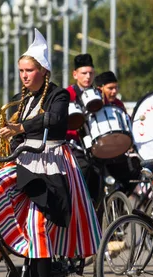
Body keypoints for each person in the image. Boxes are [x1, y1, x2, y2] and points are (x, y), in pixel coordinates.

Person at [0, 29, 100, 277]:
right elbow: (14, 134)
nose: (24, 76)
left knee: (38, 225)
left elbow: (54, 119)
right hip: (26, 161)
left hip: (52, 164)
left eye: (29, 70)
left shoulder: (58, 95)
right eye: (22, 71)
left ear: (43, 71)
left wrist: (21, 128)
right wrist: (4, 146)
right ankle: (3, 238)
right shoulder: (20, 99)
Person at [94, 71, 141, 195]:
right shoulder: (93, 105)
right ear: (100, 89)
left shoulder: (118, 104)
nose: (114, 91)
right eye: (110, 88)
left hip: (116, 152)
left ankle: (119, 203)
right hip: (97, 153)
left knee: (135, 172)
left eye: (116, 88)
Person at [65, 53, 102, 202]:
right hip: (74, 145)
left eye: (91, 73)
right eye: (84, 73)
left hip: (96, 144)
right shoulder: (67, 94)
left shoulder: (99, 94)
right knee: (85, 167)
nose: (88, 77)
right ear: (75, 74)